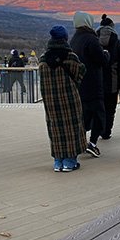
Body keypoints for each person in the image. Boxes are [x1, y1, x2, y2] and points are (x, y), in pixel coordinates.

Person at [39, 26, 87, 172]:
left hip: (51, 102)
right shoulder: (70, 57)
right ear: (65, 38)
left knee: (56, 128)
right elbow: (80, 72)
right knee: (72, 128)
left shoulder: (43, 59)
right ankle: (70, 161)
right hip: (70, 99)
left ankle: (58, 162)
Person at [70, 11, 109, 158]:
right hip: (93, 84)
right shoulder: (91, 39)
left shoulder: (74, 40)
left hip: (79, 84)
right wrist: (106, 54)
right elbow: (102, 60)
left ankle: (78, 141)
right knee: (99, 114)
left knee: (84, 115)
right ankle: (92, 143)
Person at [96, 14, 120, 140]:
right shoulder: (118, 43)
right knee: (110, 108)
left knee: (99, 107)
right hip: (113, 82)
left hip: (97, 81)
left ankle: (98, 129)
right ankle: (106, 131)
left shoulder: (94, 41)